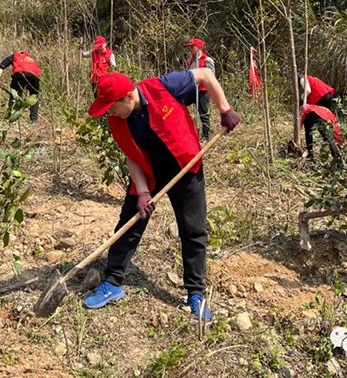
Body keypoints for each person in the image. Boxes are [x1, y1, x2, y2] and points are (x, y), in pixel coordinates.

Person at [83, 68, 241, 320]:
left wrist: (225, 109)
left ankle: (195, 294)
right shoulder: (117, 119)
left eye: (111, 107)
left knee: (193, 229)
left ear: (128, 98)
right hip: (149, 172)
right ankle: (113, 282)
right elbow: (131, 156)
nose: (109, 113)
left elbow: (207, 75)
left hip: (186, 167)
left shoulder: (163, 86)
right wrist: (143, 193)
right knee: (129, 223)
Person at [0, 51, 41, 122]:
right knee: (34, 96)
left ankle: (12, 117)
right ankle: (34, 119)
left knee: (15, 95)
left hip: (20, 73)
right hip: (35, 76)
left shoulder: (16, 55)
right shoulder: (31, 59)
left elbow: (3, 65)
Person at [184, 38, 216, 140]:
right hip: (191, 90)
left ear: (199, 47)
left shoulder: (207, 60)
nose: (191, 50)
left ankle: (206, 136)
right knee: (180, 104)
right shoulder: (191, 61)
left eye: (192, 47)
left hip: (202, 91)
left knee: (204, 114)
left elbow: (211, 75)